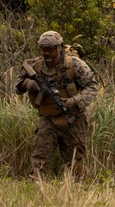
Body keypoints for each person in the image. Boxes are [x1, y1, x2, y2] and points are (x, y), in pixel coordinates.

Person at [14, 30, 99, 178]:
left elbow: (92, 87)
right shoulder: (37, 66)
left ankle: (77, 193)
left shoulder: (75, 65)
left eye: (51, 50)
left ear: (60, 47)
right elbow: (17, 87)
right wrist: (27, 83)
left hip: (72, 119)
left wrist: (74, 101)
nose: (46, 53)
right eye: (43, 49)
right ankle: (38, 191)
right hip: (48, 120)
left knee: (75, 162)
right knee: (39, 158)